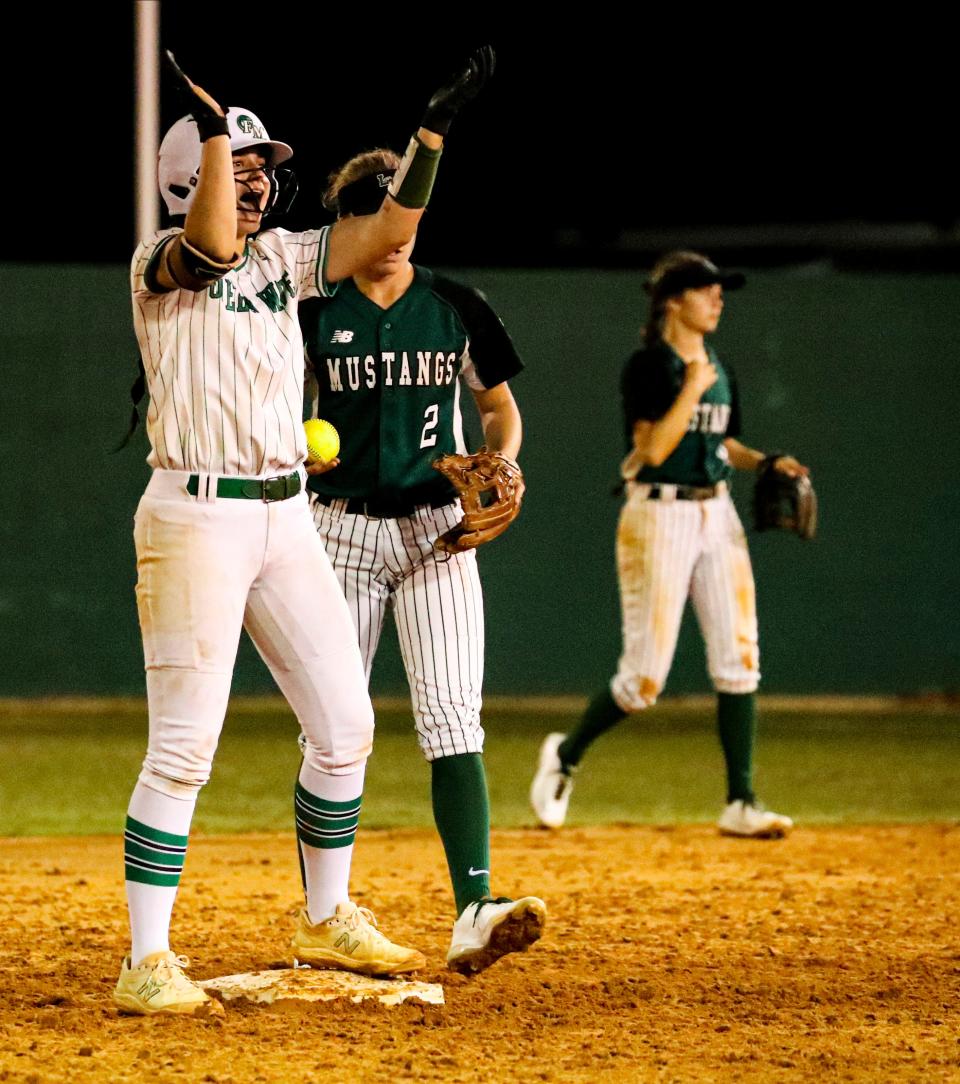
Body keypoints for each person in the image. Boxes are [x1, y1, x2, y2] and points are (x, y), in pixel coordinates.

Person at [114, 49, 494, 1016]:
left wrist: (429, 139)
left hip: (285, 514)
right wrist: (208, 141)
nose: (256, 178)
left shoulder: (285, 256)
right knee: (183, 749)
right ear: (188, 177)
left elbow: (387, 231)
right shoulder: (160, 263)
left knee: (346, 726)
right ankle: (146, 959)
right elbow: (204, 248)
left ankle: (324, 915)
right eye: (237, 166)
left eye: (257, 165)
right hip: (195, 512)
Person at [297, 147, 546, 974]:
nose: (396, 234)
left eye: (405, 215)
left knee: (452, 718)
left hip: (439, 533)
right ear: (351, 226)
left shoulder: (453, 304)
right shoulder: (313, 308)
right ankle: (326, 909)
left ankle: (475, 905)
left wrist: (505, 462)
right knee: (334, 731)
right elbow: (272, 411)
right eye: (377, 215)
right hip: (338, 535)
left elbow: (499, 410)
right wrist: (294, 455)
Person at [529, 251, 809, 838]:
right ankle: (566, 755)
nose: (718, 299)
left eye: (720, 291)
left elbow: (723, 441)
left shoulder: (717, 365)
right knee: (643, 680)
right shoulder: (651, 365)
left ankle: (741, 801)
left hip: (717, 511)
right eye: (706, 291)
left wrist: (766, 463)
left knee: (740, 660)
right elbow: (652, 449)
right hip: (659, 515)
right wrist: (693, 386)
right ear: (673, 301)